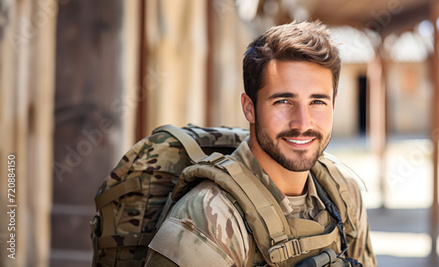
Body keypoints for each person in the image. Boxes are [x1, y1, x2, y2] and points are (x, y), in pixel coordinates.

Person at [145, 20, 377, 267]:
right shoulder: (210, 218)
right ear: (249, 108)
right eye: (283, 101)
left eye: (317, 102)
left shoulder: (344, 192)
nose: (302, 123)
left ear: (333, 104)